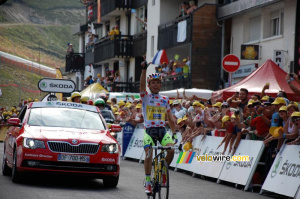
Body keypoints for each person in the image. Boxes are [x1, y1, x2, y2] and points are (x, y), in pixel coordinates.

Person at [140, 60, 176, 194]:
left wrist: (174, 132)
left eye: (158, 83)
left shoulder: (165, 99)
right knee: (148, 152)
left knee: (171, 150)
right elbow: (141, 86)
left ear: (161, 84)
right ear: (149, 85)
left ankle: (163, 170)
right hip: (149, 131)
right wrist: (144, 71)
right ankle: (148, 182)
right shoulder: (145, 97)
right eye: (153, 83)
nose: (155, 85)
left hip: (162, 130)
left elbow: (170, 117)